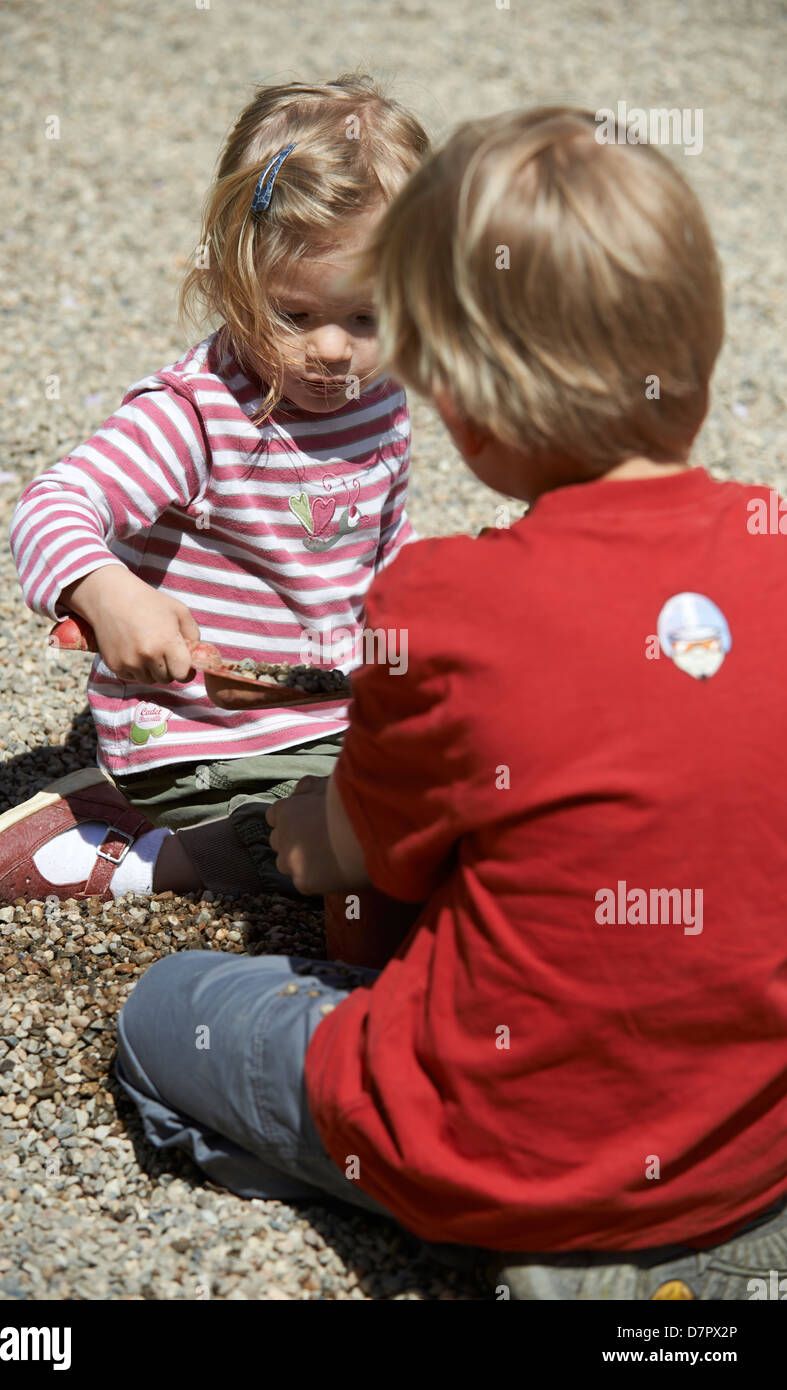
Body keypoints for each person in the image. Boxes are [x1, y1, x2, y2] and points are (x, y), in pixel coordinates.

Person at [114, 108, 787, 1298]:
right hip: (747, 1146)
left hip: (497, 1136)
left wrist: (310, 815)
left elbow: (341, 858)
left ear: (455, 396)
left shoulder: (445, 604)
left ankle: (516, 1237)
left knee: (165, 1016)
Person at [0, 74, 428, 920]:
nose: (332, 351)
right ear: (229, 279)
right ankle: (120, 853)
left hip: (331, 714)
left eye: (366, 319)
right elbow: (52, 505)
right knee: (369, 845)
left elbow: (387, 548)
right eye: (292, 313)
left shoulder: (377, 402)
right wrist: (108, 590)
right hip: (210, 742)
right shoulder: (197, 415)